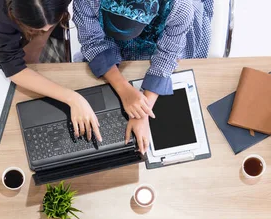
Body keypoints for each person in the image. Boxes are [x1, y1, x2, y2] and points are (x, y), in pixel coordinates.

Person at [0, 0, 102, 141]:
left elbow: (48, 21)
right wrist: (73, 98)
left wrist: (39, 42)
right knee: (3, 108)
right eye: (39, 28)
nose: (45, 29)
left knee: (52, 78)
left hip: (34, 15)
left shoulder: (46, 15)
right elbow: (12, 66)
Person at [73, 0, 214, 152]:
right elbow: (92, 41)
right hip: (108, 43)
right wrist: (124, 89)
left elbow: (167, 56)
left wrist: (142, 113)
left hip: (161, 38)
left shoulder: (179, 7)